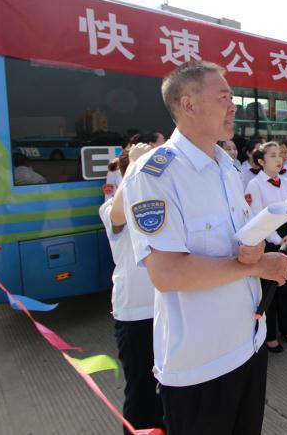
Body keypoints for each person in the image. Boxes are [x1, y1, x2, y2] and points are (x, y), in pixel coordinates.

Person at [122, 61, 287, 435]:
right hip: (201, 365)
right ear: (189, 104)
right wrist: (257, 267)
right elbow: (167, 273)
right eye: (224, 97)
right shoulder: (155, 174)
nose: (234, 106)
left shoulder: (226, 166)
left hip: (249, 344)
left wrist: (253, 249)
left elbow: (234, 243)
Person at [101, 142, 164, 434]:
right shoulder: (110, 207)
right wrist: (135, 166)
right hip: (135, 313)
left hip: (166, 307)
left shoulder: (161, 201)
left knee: (167, 388)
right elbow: (118, 216)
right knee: (141, 391)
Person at [245, 141, 287, 353]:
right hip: (269, 240)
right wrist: (278, 240)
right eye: (272, 155)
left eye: (280, 155)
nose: (279, 159)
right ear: (261, 161)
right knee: (270, 291)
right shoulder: (255, 185)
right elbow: (257, 218)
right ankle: (269, 335)